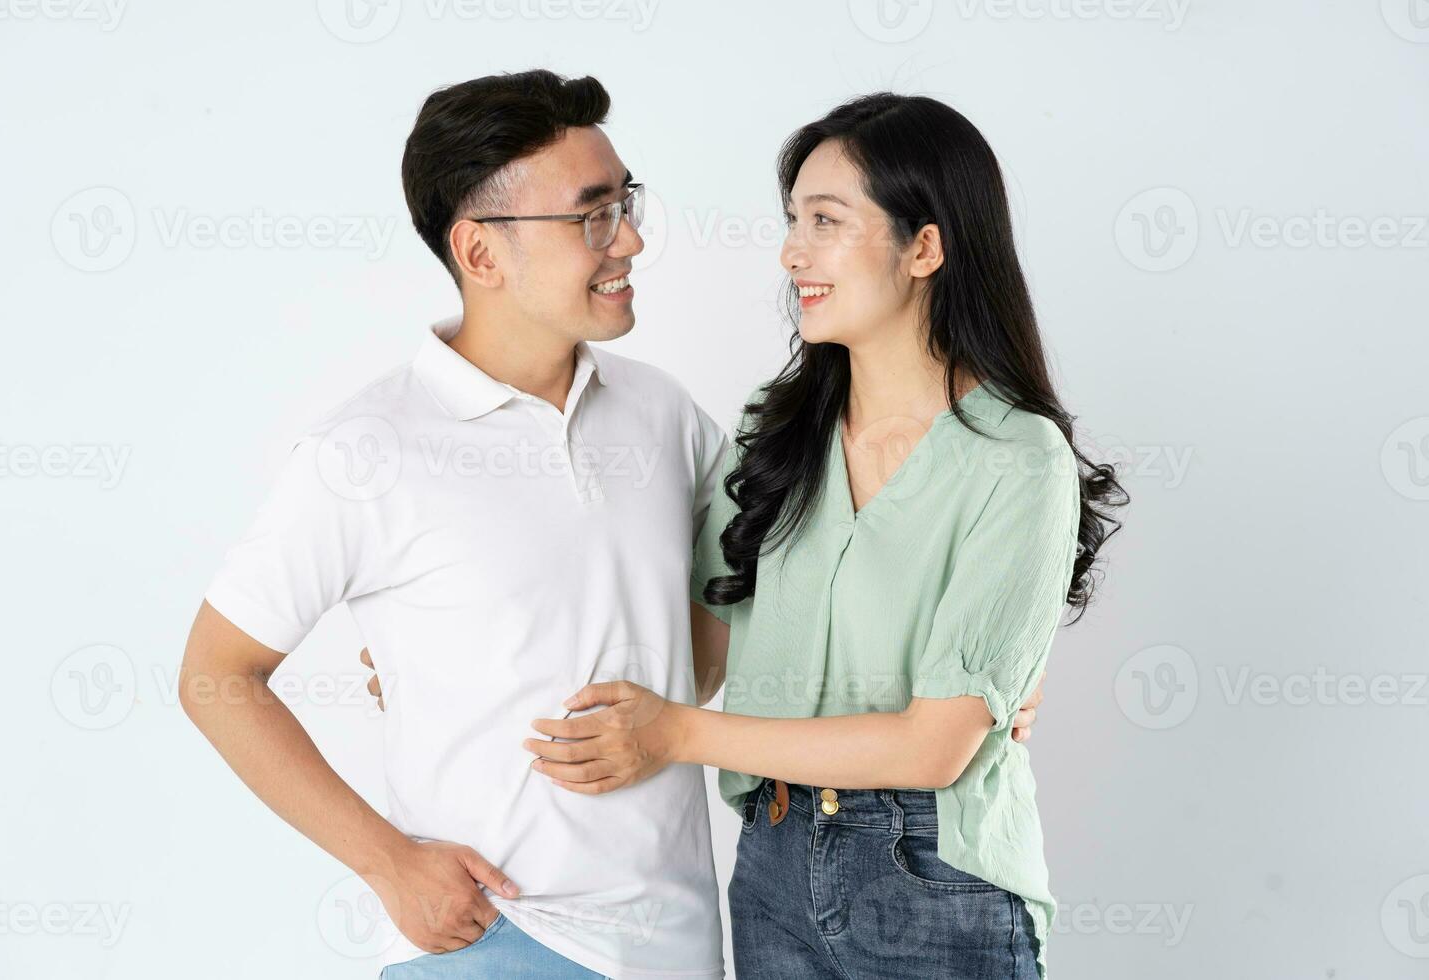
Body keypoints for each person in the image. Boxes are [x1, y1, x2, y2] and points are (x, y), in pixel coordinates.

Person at [514, 93, 1128, 979]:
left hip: (931, 877)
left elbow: (931, 746)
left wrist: (682, 735)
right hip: (770, 862)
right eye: (793, 220)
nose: (791, 252)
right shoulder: (777, 428)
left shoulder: (1015, 458)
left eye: (826, 221)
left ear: (925, 247)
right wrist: (465, 649)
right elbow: (690, 647)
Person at [181, 69, 744, 980]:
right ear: (481, 254)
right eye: (592, 214)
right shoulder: (367, 451)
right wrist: (387, 862)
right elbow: (215, 674)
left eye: (627, 202)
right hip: (494, 940)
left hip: (681, 945)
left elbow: (741, 599)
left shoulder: (662, 414)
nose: (631, 240)